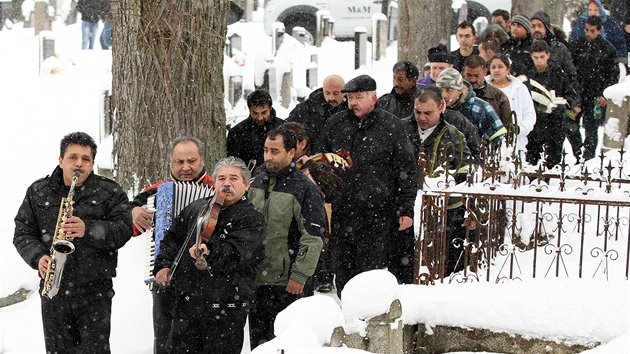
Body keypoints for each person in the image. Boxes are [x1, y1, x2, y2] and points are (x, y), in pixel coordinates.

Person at [13, 132, 132, 353]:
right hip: (54, 292)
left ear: (92, 163)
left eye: (85, 159)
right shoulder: (38, 192)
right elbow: (23, 232)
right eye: (72, 157)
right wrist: (38, 257)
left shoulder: (110, 191)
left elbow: (124, 229)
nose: (79, 163)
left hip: (96, 292)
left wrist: (88, 229)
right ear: (60, 160)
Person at [315, 74, 418, 293]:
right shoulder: (336, 124)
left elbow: (407, 170)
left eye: (358, 97)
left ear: (373, 98)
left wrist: (405, 208)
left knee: (371, 274)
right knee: (343, 271)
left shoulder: (392, 126)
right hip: (342, 212)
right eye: (350, 98)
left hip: (378, 213)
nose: (353, 103)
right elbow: (320, 160)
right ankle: (348, 317)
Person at [154, 156, 265, 354]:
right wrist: (164, 264)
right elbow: (172, 237)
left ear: (247, 185)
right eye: (221, 179)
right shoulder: (199, 207)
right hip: (188, 306)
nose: (227, 183)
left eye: (234, 178)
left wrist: (210, 251)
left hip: (226, 310)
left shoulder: (251, 217)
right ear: (214, 183)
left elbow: (240, 253)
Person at [129, 136, 213, 354]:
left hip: (206, 283)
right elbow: (128, 224)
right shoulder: (158, 191)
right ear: (171, 163)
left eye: (191, 161)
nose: (186, 167)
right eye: (179, 162)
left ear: (202, 160)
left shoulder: (217, 189)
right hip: (166, 281)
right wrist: (133, 211)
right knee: (166, 343)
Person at [248, 126, 326, 348]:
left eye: (275, 151)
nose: (268, 157)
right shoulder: (255, 183)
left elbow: (313, 237)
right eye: (265, 151)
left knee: (288, 345)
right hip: (257, 281)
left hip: (289, 283)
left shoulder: (305, 189)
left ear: (291, 153)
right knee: (260, 346)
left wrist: (300, 275)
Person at [402, 86, 475, 276]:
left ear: (441, 106)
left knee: (441, 264)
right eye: (418, 112)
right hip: (406, 205)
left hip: (444, 210)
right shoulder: (401, 129)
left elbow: (465, 174)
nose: (422, 117)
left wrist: (470, 208)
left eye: (428, 112)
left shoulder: (453, 135)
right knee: (404, 261)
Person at [284, 121, 344, 293]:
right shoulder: (273, 168)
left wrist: (312, 167)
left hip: (309, 231)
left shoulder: (316, 165)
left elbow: (335, 190)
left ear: (302, 145)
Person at [569, 15, 620, 161]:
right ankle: (577, 152)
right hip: (577, 94)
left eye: (592, 30)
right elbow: (570, 70)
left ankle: (588, 158)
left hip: (595, 95)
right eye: (586, 30)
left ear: (599, 30)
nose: (588, 33)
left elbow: (612, 74)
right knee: (571, 127)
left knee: (591, 130)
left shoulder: (608, 49)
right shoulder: (576, 45)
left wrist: (605, 95)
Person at [526, 40, 580, 169]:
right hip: (535, 122)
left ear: (548, 55)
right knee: (532, 158)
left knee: (553, 158)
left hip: (554, 123)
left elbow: (570, 94)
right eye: (536, 57)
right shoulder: (528, 75)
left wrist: (564, 104)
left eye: (542, 57)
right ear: (531, 56)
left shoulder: (558, 73)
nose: (539, 61)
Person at [435, 68, 506, 149]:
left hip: (474, 158)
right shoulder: (432, 108)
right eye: (440, 90)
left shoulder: (481, 108)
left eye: (449, 90)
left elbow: (500, 139)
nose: (444, 95)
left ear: (460, 90)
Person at [486, 54, 537, 153]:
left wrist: (520, 129)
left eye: (500, 67)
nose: (496, 70)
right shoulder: (484, 87)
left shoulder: (519, 88)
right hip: (488, 140)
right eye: (493, 67)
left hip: (515, 142)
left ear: (508, 69)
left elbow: (529, 114)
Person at [227, 89, 284, 170]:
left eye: (264, 113)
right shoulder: (237, 132)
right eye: (255, 113)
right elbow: (233, 164)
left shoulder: (283, 128)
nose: (260, 118)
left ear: (270, 108)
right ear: (250, 110)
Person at [286, 74, 347, 145]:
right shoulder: (307, 108)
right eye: (327, 93)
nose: (331, 98)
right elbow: (287, 129)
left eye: (336, 93)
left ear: (344, 92)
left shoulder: (352, 109)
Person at [569, 0, 628, 66]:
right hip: (583, 61)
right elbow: (572, 42)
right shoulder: (580, 23)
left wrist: (621, 60)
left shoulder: (610, 23)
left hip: (606, 60)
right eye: (590, 10)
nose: (592, 13)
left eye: (595, 10)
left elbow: (620, 43)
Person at [463, 55, 512, 127]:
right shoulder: (455, 94)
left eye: (477, 75)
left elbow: (506, 128)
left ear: (485, 72)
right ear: (464, 71)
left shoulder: (498, 96)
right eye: (469, 75)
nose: (472, 80)